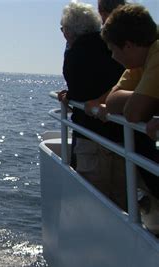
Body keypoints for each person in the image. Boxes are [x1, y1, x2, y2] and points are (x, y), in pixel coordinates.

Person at [57, 1, 126, 209]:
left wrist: (71, 96)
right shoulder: (110, 44)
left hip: (93, 136)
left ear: (70, 30)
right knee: (123, 202)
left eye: (63, 29)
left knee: (95, 203)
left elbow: (79, 90)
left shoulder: (77, 53)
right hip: (121, 136)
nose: (63, 34)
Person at [101, 4, 159, 201]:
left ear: (128, 45)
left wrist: (146, 101)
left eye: (112, 50)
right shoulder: (141, 57)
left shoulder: (157, 51)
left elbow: (133, 112)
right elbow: (112, 102)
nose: (113, 56)